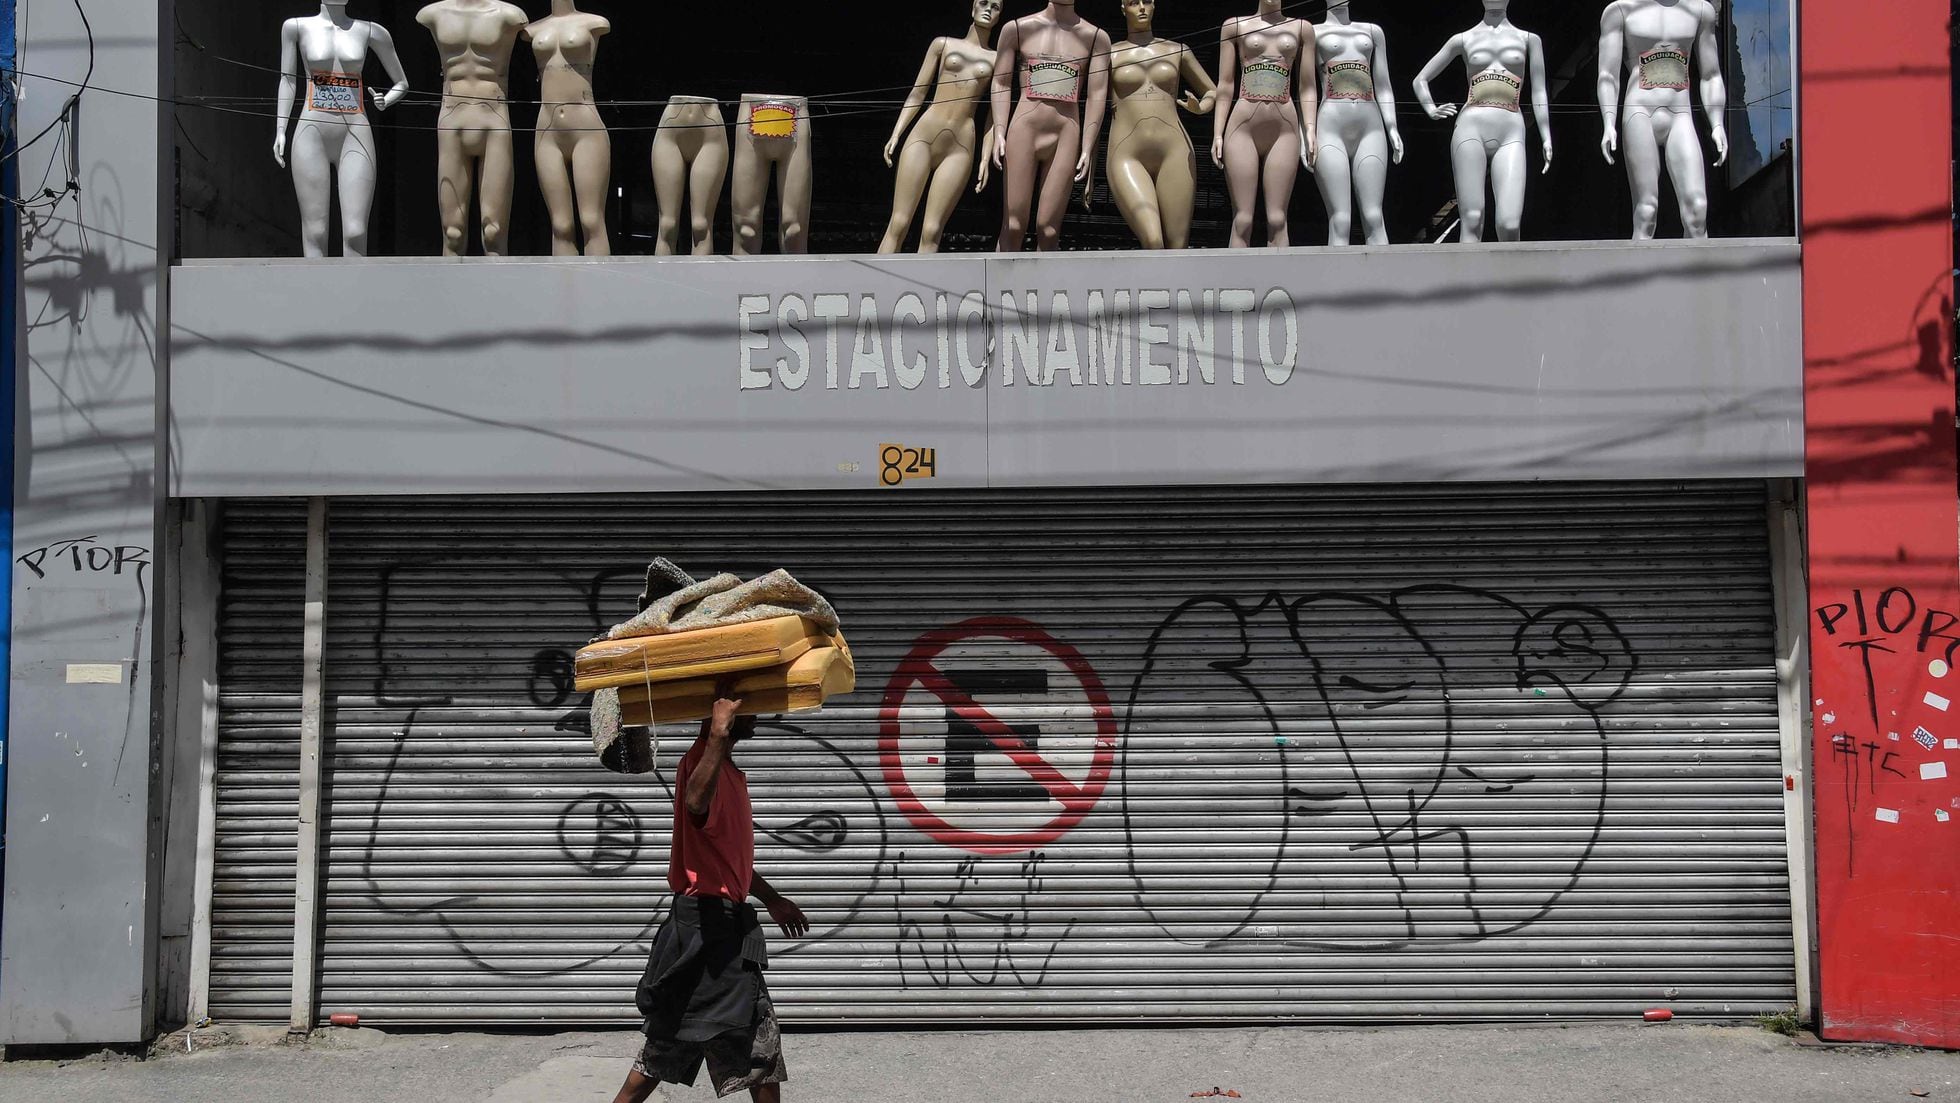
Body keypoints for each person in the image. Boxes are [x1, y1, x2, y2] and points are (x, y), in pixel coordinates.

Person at [612, 696, 811, 1103]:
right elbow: (695, 803)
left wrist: (772, 899)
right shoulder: (705, 763)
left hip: (715, 930)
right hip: (706, 933)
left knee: (665, 1051)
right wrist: (717, 734)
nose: (756, 717)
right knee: (758, 1048)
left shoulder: (727, 770)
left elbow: (727, 859)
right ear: (722, 712)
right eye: (747, 707)